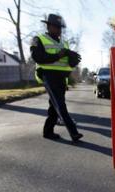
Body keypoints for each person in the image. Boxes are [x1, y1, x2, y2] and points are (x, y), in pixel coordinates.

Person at [30, 14, 83, 142]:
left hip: (60, 78)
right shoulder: (38, 39)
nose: (59, 30)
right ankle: (73, 132)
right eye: (56, 27)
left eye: (60, 28)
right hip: (47, 75)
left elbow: (66, 64)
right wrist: (58, 55)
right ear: (48, 26)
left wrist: (73, 61)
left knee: (54, 106)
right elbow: (38, 57)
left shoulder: (64, 43)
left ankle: (48, 131)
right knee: (60, 104)